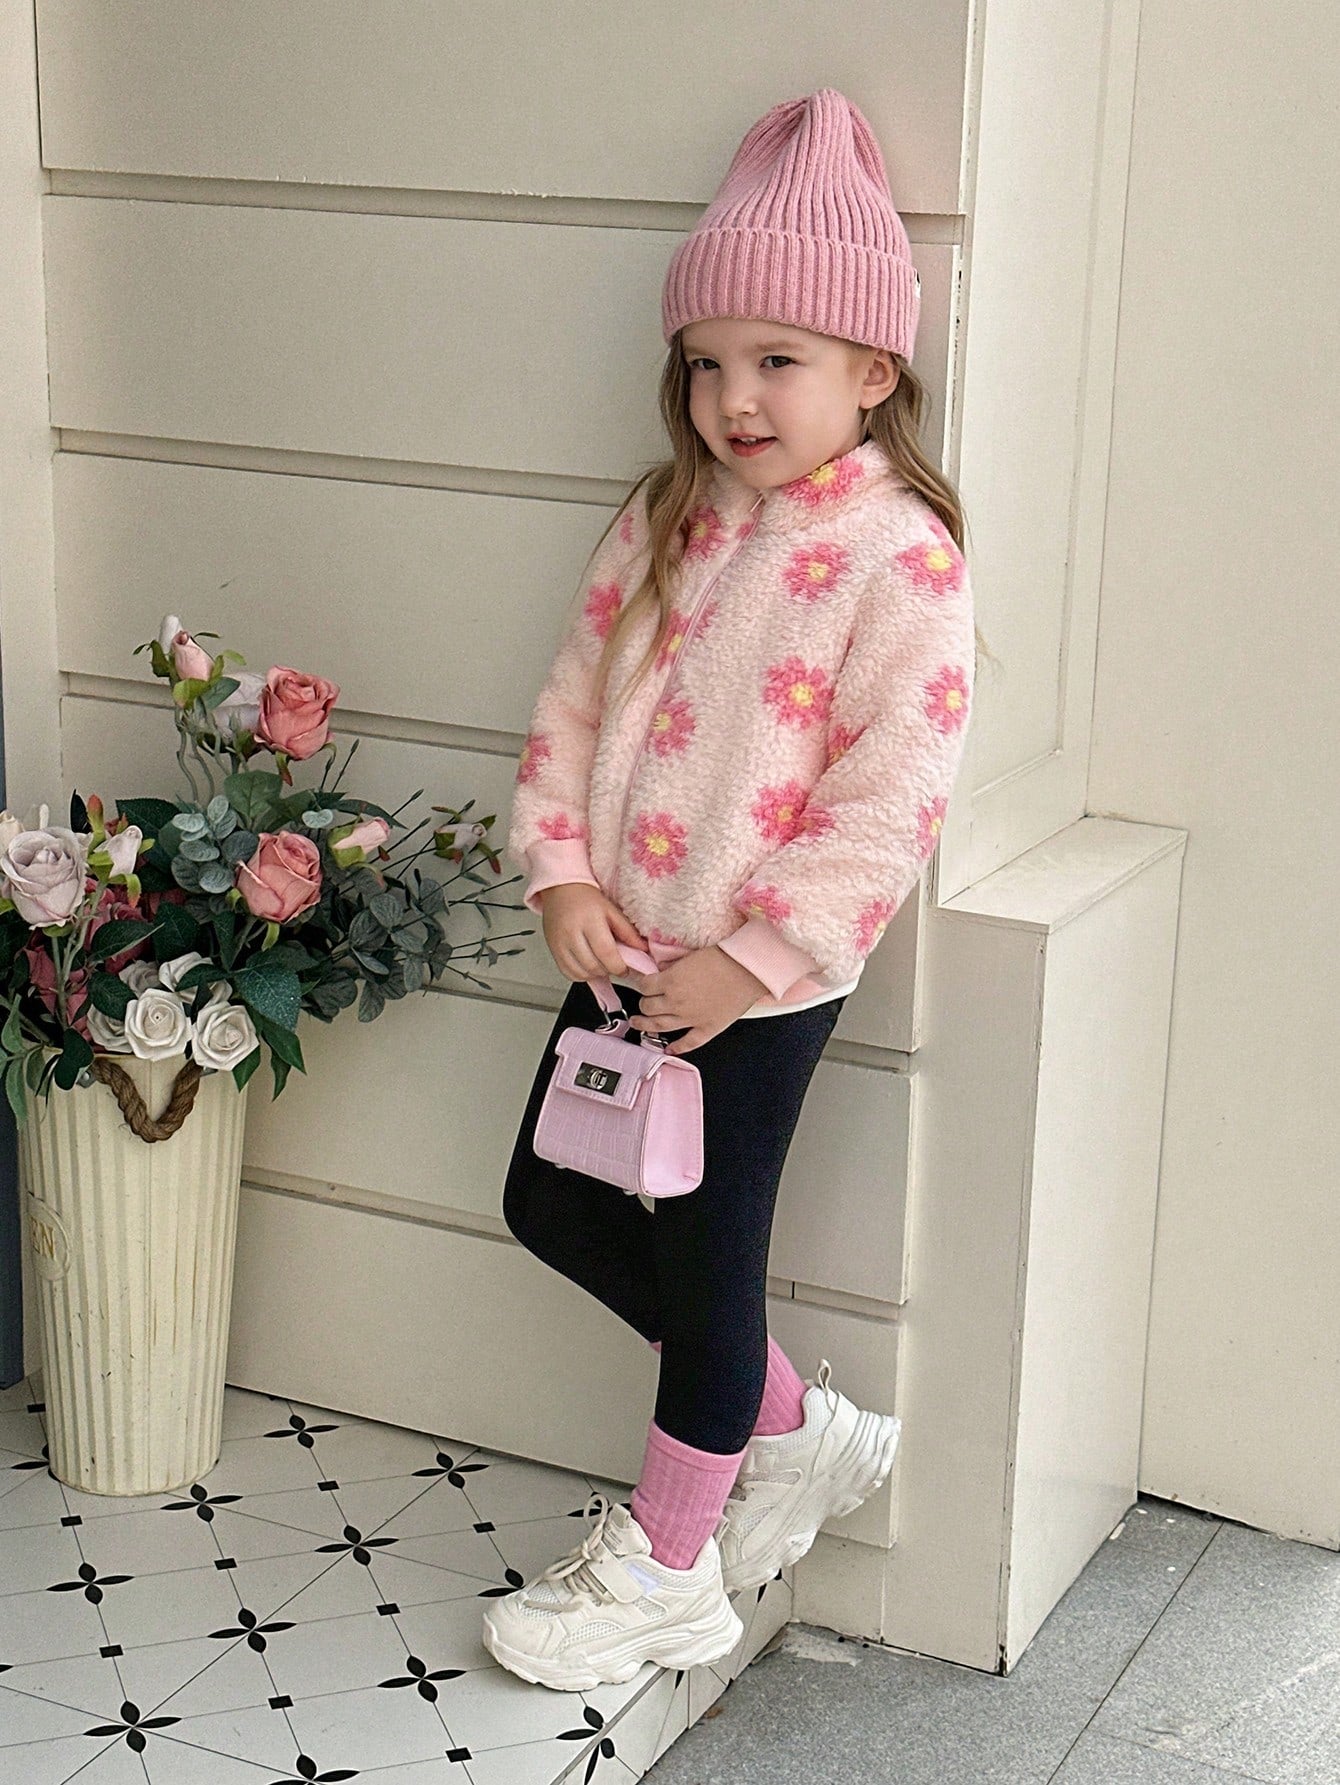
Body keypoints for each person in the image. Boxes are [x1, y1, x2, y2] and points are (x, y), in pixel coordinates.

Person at [483, 87, 978, 1693]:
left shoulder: (901, 556)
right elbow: (573, 700)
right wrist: (561, 876)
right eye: (707, 362)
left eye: (778, 360)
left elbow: (892, 798)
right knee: (551, 1198)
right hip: (625, 951)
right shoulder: (667, 515)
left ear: (873, 369)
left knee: (710, 1262)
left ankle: (669, 1565)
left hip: (753, 986)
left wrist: (755, 960)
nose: (733, 397)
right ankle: (792, 1424)